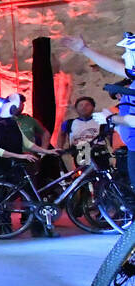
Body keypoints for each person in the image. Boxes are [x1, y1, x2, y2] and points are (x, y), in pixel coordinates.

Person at [57, 32, 135, 187]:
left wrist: (111, 118)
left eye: (130, 52)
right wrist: (84, 49)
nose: (125, 57)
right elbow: (113, 66)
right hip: (89, 149)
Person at [0, 93, 58, 235]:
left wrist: (46, 152)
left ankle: (38, 229)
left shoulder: (14, 124)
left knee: (31, 195)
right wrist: (20, 155)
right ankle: (5, 231)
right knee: (0, 201)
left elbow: (27, 143)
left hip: (14, 165)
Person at [59, 95, 110, 171]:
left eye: (87, 105)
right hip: (80, 152)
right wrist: (60, 148)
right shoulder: (69, 123)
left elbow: (109, 135)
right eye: (80, 105)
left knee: (103, 173)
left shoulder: (100, 121)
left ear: (93, 107)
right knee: (86, 175)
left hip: (99, 151)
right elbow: (61, 134)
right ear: (76, 109)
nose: (84, 107)